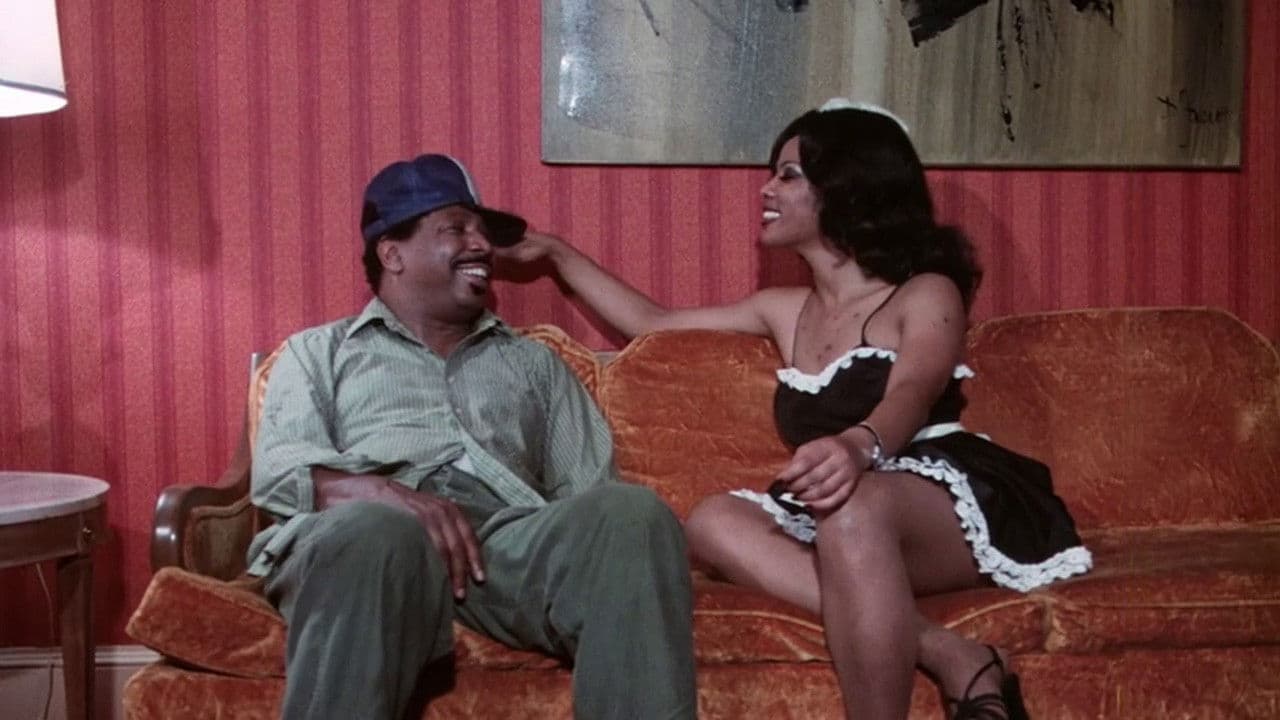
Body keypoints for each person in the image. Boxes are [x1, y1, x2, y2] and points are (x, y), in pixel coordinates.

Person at [499, 100, 1092, 720]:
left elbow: (913, 391)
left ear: (846, 187)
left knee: (852, 508)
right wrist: (558, 254)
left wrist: (858, 445)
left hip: (944, 498)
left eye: (788, 175)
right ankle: (951, 652)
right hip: (845, 511)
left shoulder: (925, 292)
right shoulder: (784, 309)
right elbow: (654, 323)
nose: (766, 189)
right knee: (712, 519)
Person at [247, 153, 697, 720]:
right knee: (376, 533)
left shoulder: (534, 364)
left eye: (483, 232)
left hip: (500, 546)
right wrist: (386, 495)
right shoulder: (319, 353)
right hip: (369, 542)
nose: (482, 245)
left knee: (632, 514)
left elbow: (590, 489)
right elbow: (280, 470)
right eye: (456, 228)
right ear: (392, 253)